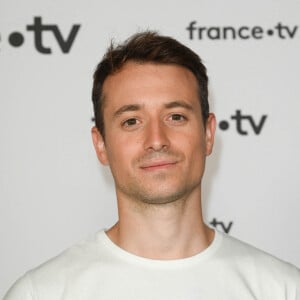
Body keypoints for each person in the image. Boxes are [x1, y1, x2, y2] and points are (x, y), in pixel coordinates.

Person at [4, 31, 300, 300]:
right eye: (131, 121)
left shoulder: (282, 289)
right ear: (101, 145)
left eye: (175, 117)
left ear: (208, 134)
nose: (156, 140)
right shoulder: (42, 293)